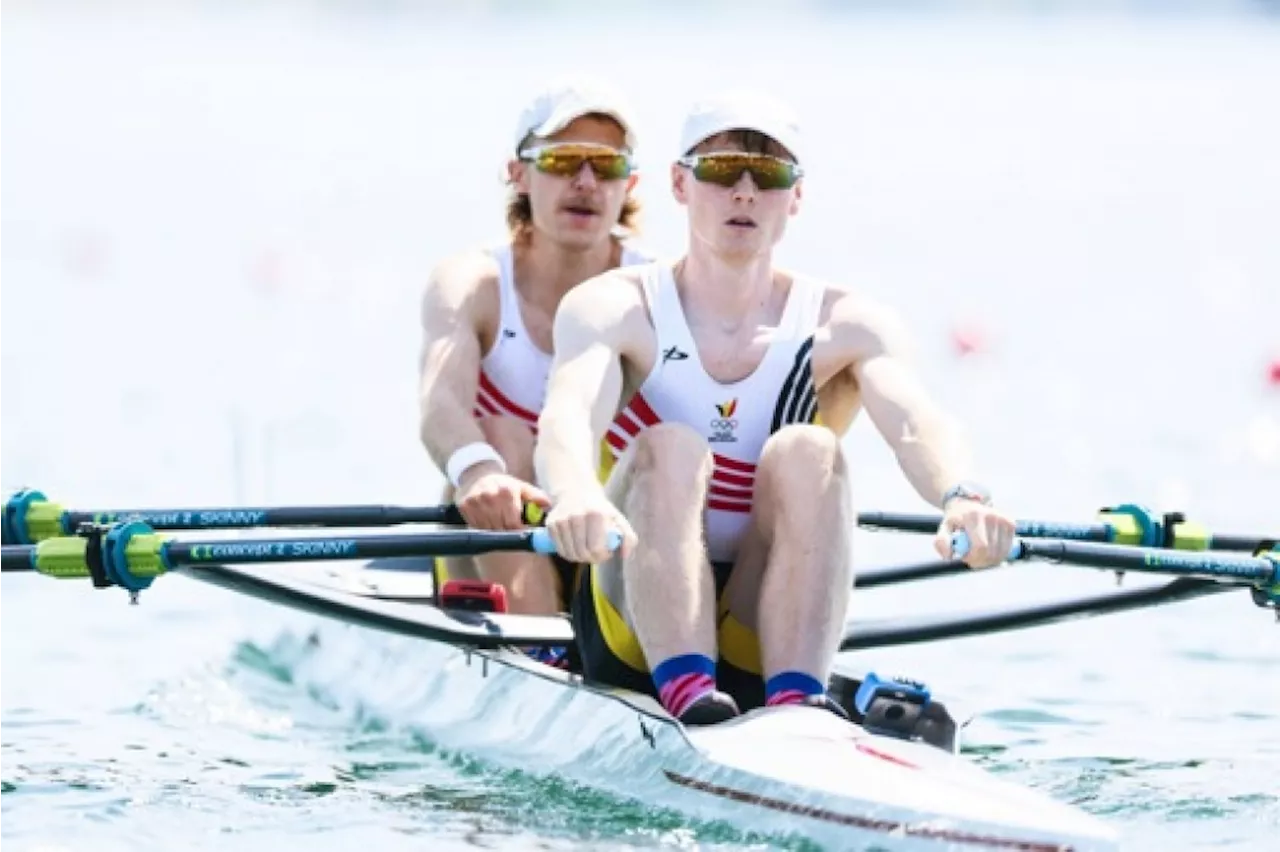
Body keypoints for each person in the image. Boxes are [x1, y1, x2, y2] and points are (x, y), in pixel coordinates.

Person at [533, 89, 1016, 725]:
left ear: (796, 196)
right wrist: (575, 496)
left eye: (767, 174)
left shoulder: (846, 322)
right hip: (629, 626)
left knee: (809, 450)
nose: (743, 192)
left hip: (758, 625)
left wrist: (964, 497)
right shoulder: (616, 307)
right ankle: (688, 691)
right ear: (680, 184)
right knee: (671, 445)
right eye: (719, 170)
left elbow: (915, 421)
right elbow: (567, 416)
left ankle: (796, 704)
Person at [417, 75, 651, 618]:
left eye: (607, 165)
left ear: (630, 184)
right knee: (502, 435)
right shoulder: (472, 283)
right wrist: (479, 473)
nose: (587, 182)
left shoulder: (657, 291)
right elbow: (439, 406)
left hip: (610, 534)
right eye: (565, 160)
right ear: (518, 173)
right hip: (493, 527)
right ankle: (540, 642)